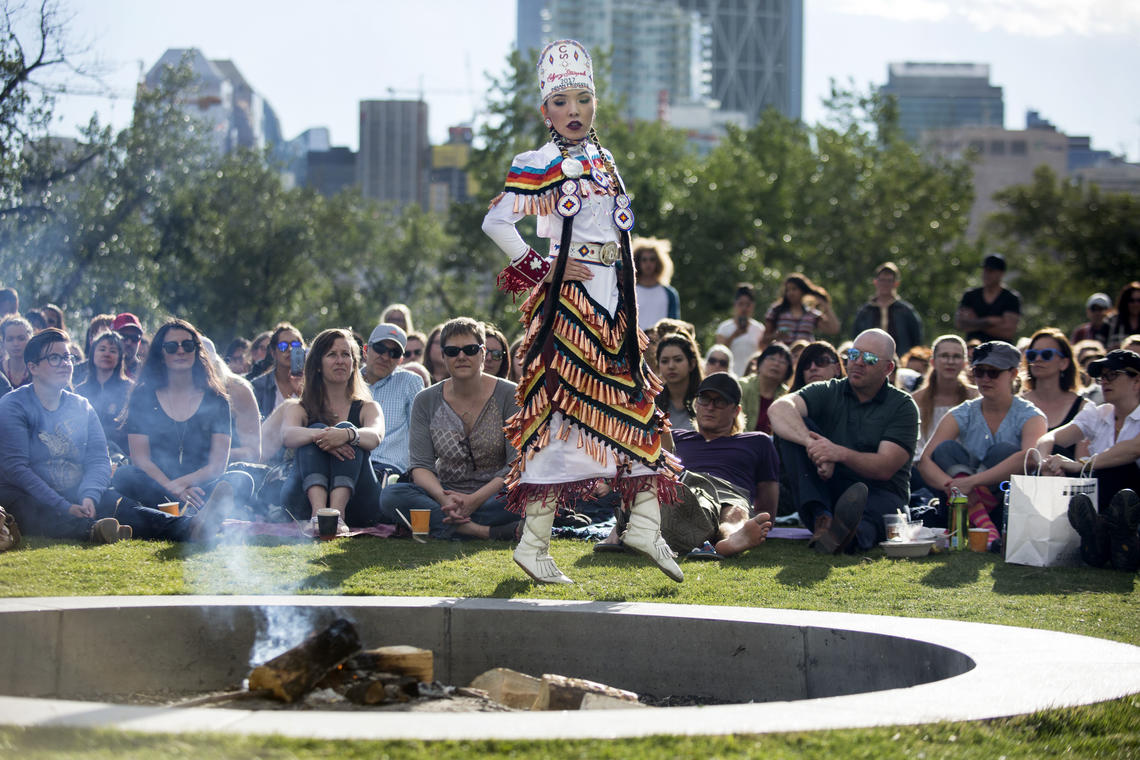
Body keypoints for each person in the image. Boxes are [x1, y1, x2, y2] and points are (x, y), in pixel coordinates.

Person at [481, 39, 682, 584]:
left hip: (615, 301)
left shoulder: (604, 160)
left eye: (583, 100)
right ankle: (534, 542)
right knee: (566, 415)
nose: (574, 111)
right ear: (545, 110)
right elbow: (497, 222)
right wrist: (543, 270)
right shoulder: (541, 162)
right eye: (562, 101)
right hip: (573, 306)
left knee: (634, 407)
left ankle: (643, 522)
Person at [0, 328, 229, 544]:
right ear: (33, 367)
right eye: (54, 358)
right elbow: (17, 469)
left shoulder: (81, 406)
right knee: (29, 508)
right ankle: (93, 530)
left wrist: (89, 495)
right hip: (28, 494)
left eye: (67, 357)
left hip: (76, 491)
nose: (65, 364)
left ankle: (191, 527)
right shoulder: (14, 405)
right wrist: (63, 505)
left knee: (125, 507)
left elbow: (99, 459)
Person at [770, 329, 919, 553]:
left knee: (869, 518)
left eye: (869, 358)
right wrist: (813, 445)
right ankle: (823, 518)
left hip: (881, 493)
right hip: (828, 488)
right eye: (853, 354)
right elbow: (779, 409)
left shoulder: (903, 406)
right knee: (795, 429)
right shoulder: (829, 390)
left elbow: (885, 467)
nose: (858, 362)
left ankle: (846, 537)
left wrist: (838, 453)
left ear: (888, 368)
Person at [597, 373, 775, 558]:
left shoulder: (756, 441)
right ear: (696, 404)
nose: (710, 407)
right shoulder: (677, 437)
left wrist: (768, 522)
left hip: (729, 491)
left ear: (736, 411)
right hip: (683, 487)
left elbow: (769, 490)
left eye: (719, 402)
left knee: (734, 511)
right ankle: (619, 530)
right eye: (704, 400)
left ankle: (731, 539)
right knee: (646, 471)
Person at [379, 318, 521, 540]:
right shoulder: (425, 400)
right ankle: (480, 531)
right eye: (453, 351)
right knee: (391, 495)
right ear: (443, 356)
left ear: (483, 353)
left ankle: (441, 525)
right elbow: (421, 466)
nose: (462, 356)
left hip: (494, 494)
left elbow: (515, 465)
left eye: (470, 350)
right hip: (443, 493)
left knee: (530, 495)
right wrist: (444, 500)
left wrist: (473, 501)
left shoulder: (509, 395)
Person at [113, 319, 254, 514]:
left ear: (197, 351)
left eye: (187, 345)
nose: (180, 351)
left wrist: (182, 484)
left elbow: (217, 465)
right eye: (171, 347)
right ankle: (192, 519)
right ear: (161, 355)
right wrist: (174, 490)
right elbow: (142, 460)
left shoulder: (217, 400)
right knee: (124, 476)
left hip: (200, 488)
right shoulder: (143, 397)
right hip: (158, 485)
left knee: (242, 480)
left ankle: (174, 517)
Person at [917, 341, 1047, 547]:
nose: (985, 378)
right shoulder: (963, 412)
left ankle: (974, 517)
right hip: (959, 497)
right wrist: (956, 490)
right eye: (979, 372)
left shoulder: (1030, 415)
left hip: (1006, 500)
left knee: (1004, 451)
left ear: (1013, 374)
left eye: (993, 372)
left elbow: (1030, 457)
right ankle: (985, 527)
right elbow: (924, 461)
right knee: (946, 449)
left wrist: (972, 482)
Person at [1037, 350, 1140, 571]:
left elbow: (1132, 449)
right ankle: (1107, 536)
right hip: (1102, 492)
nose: (1104, 382)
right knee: (1069, 462)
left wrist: (1081, 464)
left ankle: (1104, 535)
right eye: (1101, 377)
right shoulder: (1098, 413)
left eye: (1113, 375)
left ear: (1137, 381)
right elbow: (1051, 436)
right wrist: (1045, 461)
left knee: (1120, 469)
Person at [280, 328, 385, 530]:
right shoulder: (298, 407)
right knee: (314, 430)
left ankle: (336, 515)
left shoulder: (368, 407)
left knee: (349, 430)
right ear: (318, 365)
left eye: (346, 355)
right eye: (332, 355)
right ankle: (319, 515)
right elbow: (287, 435)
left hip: (359, 505)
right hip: (302, 503)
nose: (340, 361)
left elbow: (375, 436)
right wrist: (322, 435)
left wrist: (346, 434)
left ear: (354, 364)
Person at [910, 335, 979, 483]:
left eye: (956, 356)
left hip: (968, 469)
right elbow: (916, 450)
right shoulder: (915, 400)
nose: (950, 361)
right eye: (944, 356)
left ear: (965, 363)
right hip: (924, 472)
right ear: (933, 362)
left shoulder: (976, 396)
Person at [361, 322, 423, 480]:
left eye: (394, 353)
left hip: (389, 469)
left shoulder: (409, 382)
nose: (386, 357)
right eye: (380, 348)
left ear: (400, 360)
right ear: (366, 350)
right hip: (350, 463)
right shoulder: (349, 381)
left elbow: (421, 436)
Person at [1020, 328, 1089, 460]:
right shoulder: (1017, 403)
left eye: (1047, 354)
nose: (1038, 359)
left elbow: (1082, 465)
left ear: (1064, 363)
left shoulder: (1083, 407)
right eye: (1032, 354)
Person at [74, 330, 134, 453]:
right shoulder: (80, 391)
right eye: (102, 349)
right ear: (93, 354)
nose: (107, 354)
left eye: (113, 351)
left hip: (120, 454)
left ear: (120, 357)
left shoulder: (130, 390)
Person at [850, 262, 924, 357]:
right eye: (882, 280)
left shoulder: (905, 310)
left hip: (900, 358)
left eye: (889, 281)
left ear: (896, 283)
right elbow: (856, 338)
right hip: (869, 359)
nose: (885, 284)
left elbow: (916, 339)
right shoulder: (865, 311)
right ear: (875, 282)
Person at [956, 254, 1021, 343]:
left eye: (991, 270)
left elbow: (1008, 332)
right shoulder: (970, 295)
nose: (986, 274)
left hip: (1000, 351)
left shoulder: (1011, 298)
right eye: (985, 270)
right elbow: (960, 324)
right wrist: (990, 321)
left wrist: (974, 322)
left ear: (1001, 273)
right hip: (973, 350)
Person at [763, 274, 840, 348]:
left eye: (794, 289)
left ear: (802, 291)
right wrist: (775, 336)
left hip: (803, 358)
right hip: (782, 358)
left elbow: (834, 329)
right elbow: (764, 339)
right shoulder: (776, 311)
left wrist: (826, 306)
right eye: (787, 290)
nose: (790, 293)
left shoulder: (812, 314)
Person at [250, 322, 304, 419]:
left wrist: (302, 392)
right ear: (273, 352)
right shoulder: (258, 386)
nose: (290, 349)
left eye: (295, 345)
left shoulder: (312, 383)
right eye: (283, 346)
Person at [739, 342, 792, 434]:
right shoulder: (741, 386)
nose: (776, 364)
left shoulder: (789, 396)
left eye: (782, 362)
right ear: (760, 363)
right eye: (772, 358)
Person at [655, 332, 702, 432]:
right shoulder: (652, 403)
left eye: (678, 360)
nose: (671, 366)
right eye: (664, 361)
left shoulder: (706, 400)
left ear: (692, 363)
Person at [715, 284, 765, 376]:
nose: (744, 308)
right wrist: (735, 335)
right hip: (728, 375)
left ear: (753, 306)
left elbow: (763, 353)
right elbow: (719, 353)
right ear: (735, 305)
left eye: (748, 305)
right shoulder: (724, 328)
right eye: (741, 304)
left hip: (750, 376)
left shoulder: (759, 329)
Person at [633, 237, 680, 329]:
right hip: (635, 342)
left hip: (662, 342)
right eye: (644, 259)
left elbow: (674, 325)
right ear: (637, 262)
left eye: (652, 259)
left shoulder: (669, 293)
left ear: (659, 262)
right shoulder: (630, 291)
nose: (648, 263)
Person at [1, 315, 33, 389]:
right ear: (3, 343)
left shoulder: (38, 370)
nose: (15, 344)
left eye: (21, 339)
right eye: (10, 339)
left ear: (30, 340)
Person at [1106, 282, 1140, 350]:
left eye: (1139, 300)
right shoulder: (1111, 321)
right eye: (1131, 300)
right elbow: (1100, 347)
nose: (1135, 304)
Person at [112, 313, 145, 380]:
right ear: (111, 338)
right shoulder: (97, 370)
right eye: (123, 336)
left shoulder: (147, 374)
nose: (129, 343)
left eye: (134, 338)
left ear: (139, 341)